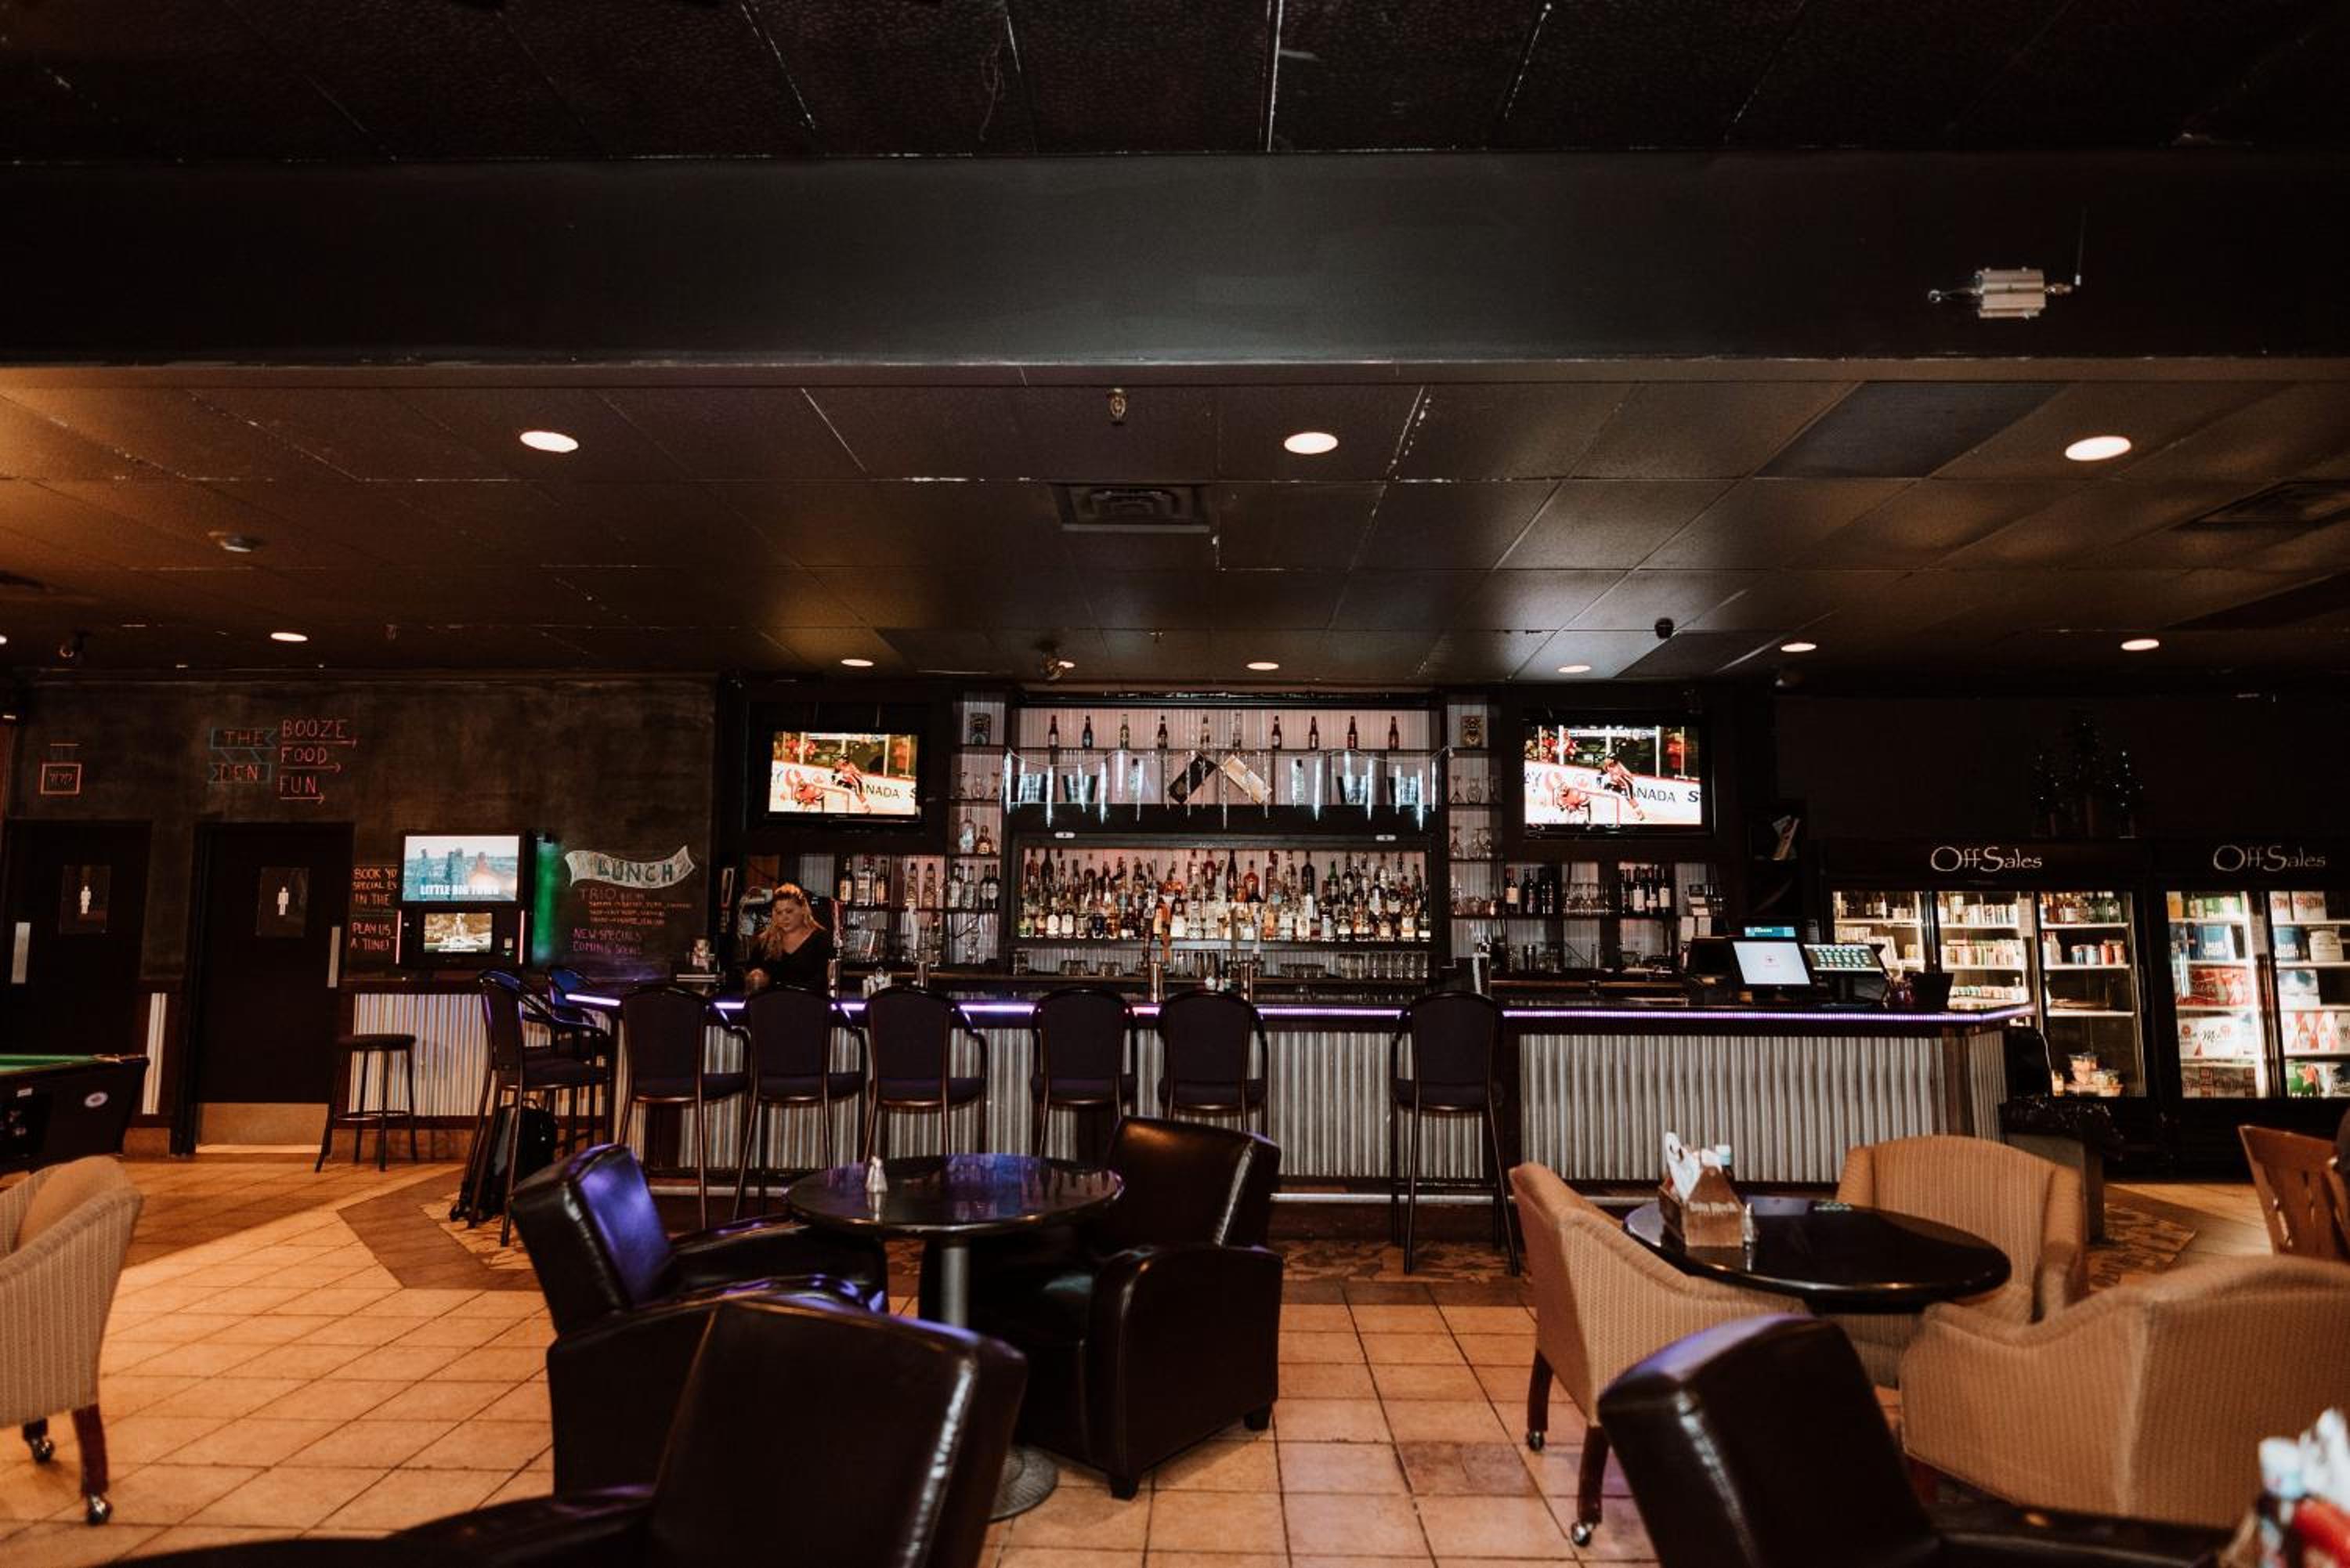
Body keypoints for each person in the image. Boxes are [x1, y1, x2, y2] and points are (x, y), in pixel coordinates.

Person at [741, 883, 834, 994]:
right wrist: (755, 978)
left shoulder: (820, 939)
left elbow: (825, 980)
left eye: (789, 911)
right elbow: (750, 974)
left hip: (809, 1002)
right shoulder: (766, 941)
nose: (784, 917)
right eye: (779, 913)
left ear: (803, 909)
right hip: (772, 1002)